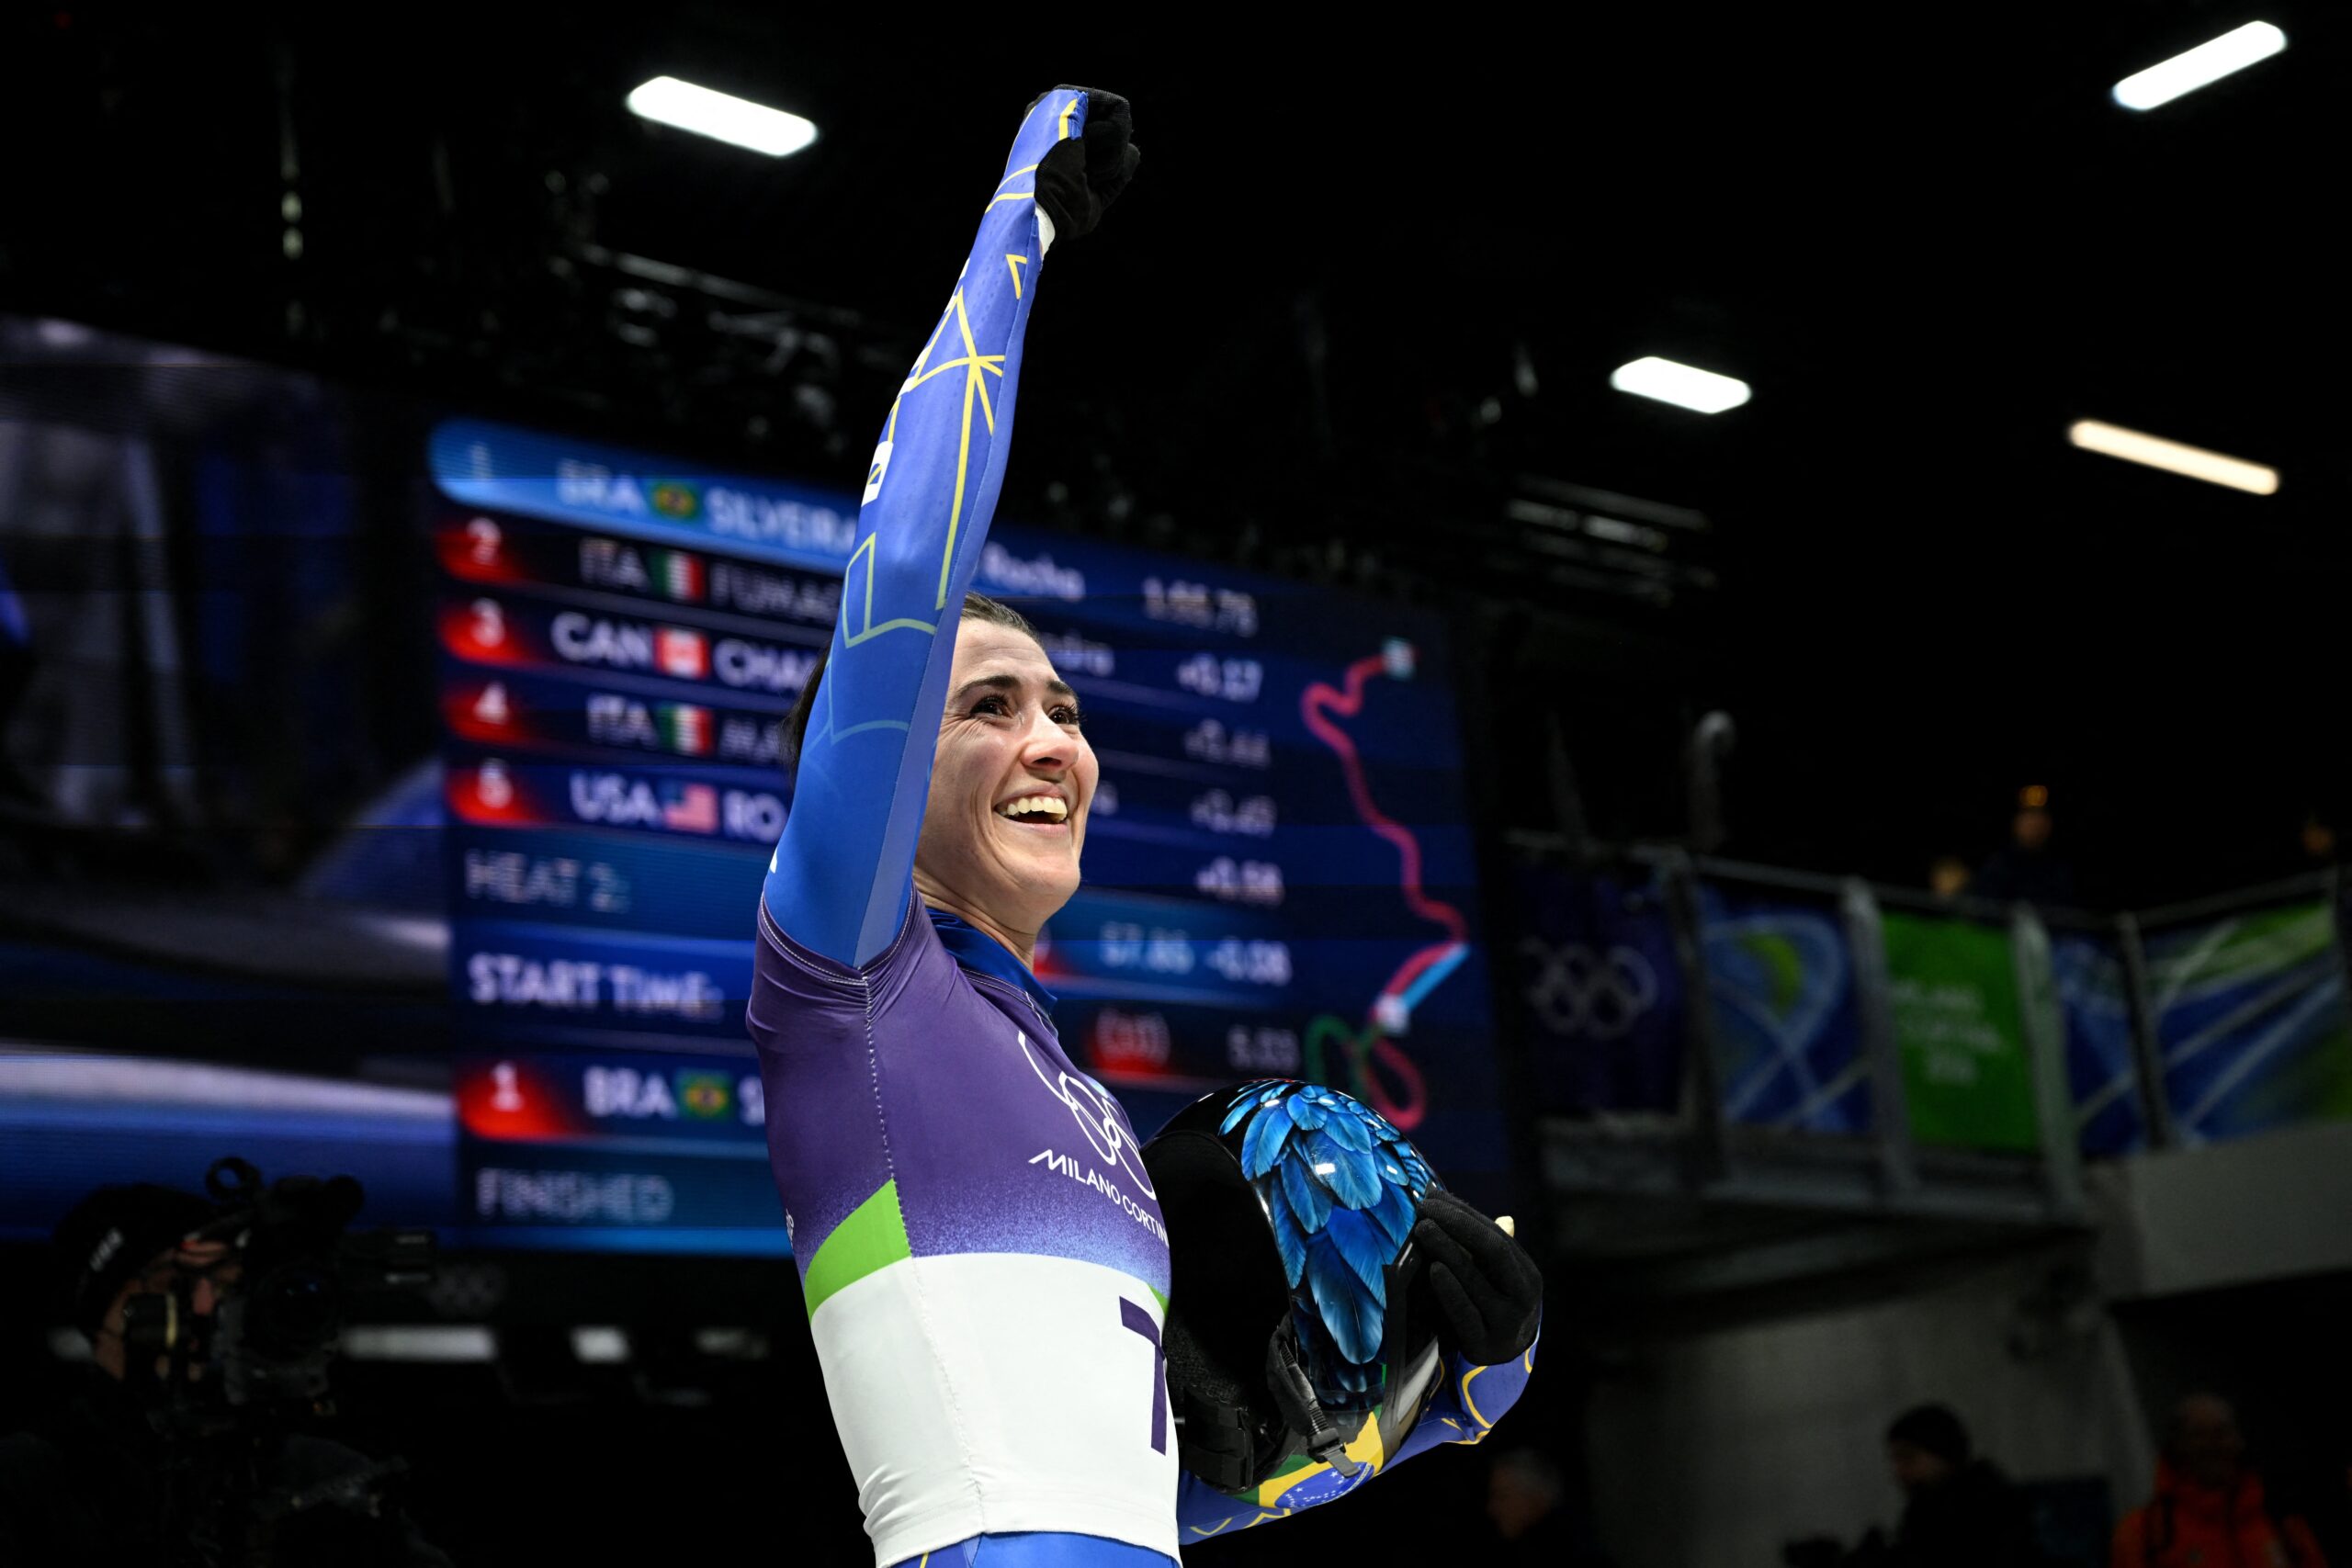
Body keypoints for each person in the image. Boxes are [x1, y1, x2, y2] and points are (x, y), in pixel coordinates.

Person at [745, 87, 1540, 1567]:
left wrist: (1442, 1403)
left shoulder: (1090, 1107)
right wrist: (1016, 225)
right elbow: (906, 566)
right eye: (983, 705)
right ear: (877, 760)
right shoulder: (850, 975)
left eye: (1062, 705)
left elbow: (1168, 1493)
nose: (1051, 739)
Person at [0, 1182, 452, 1566]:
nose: (205, 1306)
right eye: (171, 1282)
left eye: (223, 1284)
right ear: (106, 1312)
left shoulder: (322, 1478)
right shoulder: (33, 1477)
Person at [2111, 1393, 2327, 1568]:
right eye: (2198, 1434)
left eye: (2221, 1432)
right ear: (2175, 1448)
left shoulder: (2282, 1523)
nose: (2212, 1446)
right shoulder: (2145, 1534)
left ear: (2239, 1441)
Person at [1874, 1403, 2040, 1567]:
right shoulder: (1925, 1506)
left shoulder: (1986, 1504)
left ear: (1943, 1455)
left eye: (1908, 1457)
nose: (1899, 1471)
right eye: (1896, 1460)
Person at [1972, 785, 2078, 908]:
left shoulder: (2059, 870)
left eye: (2040, 816)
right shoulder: (1998, 864)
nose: (2034, 823)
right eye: (2028, 815)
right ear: (2016, 821)